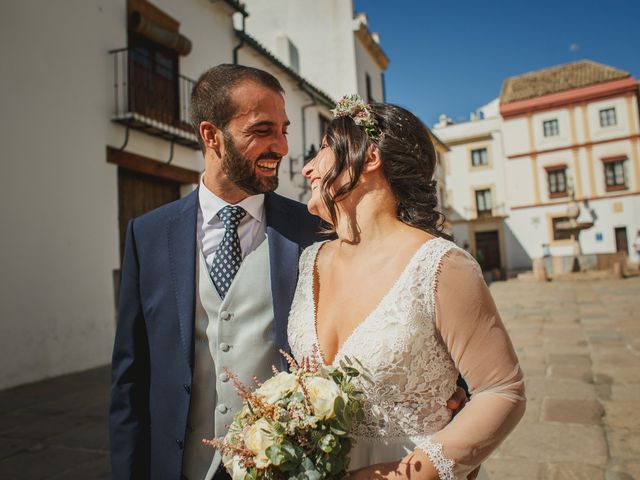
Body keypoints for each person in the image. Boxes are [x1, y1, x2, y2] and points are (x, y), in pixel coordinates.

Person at [289, 96, 525, 479]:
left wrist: (409, 475)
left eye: (325, 150)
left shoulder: (441, 265)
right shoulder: (309, 261)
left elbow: (503, 390)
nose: (309, 169)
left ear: (369, 158)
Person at [108, 64, 324, 480]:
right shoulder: (148, 234)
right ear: (211, 136)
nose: (280, 146)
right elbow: (129, 377)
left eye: (284, 130)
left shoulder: (312, 231)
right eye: (263, 130)